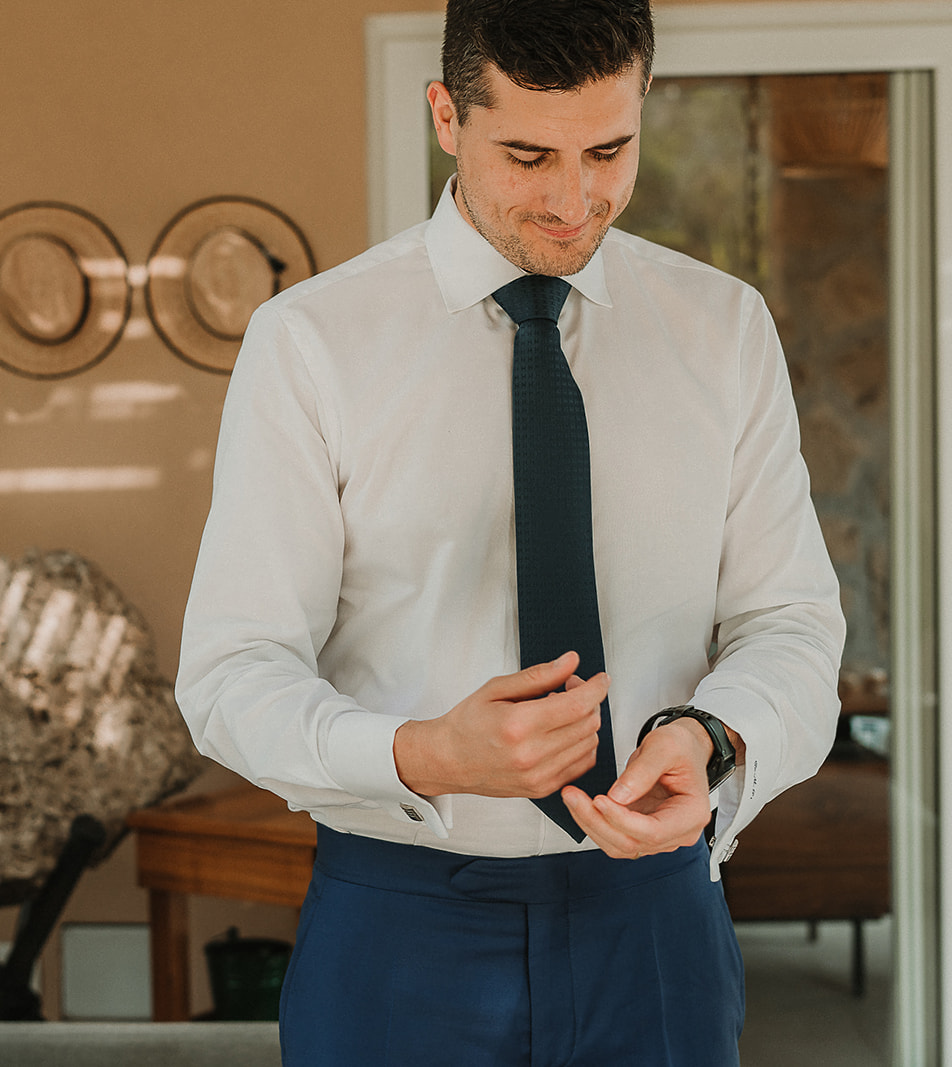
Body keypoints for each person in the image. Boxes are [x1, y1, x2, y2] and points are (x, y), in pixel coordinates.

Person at [175, 0, 844, 1062]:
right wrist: (420, 751)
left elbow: (793, 623)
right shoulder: (311, 344)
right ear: (447, 115)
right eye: (528, 154)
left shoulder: (723, 330)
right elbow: (229, 669)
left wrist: (711, 735)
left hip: (656, 920)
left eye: (608, 149)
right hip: (399, 919)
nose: (574, 199)